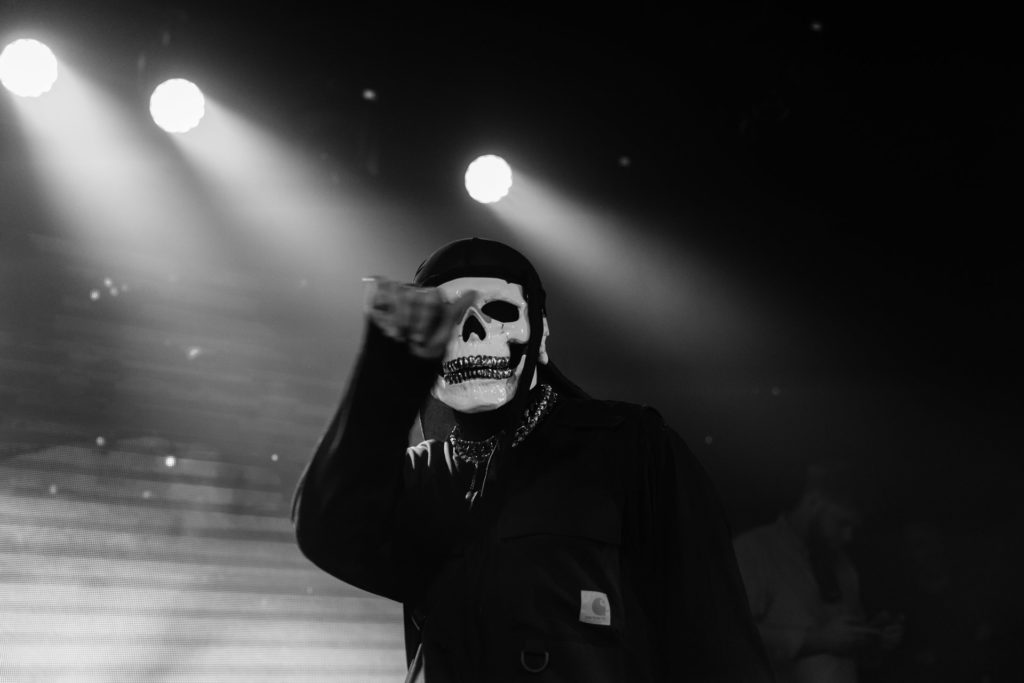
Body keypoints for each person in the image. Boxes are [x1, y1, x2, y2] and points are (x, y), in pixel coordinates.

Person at [292, 237, 774, 682]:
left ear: (539, 336)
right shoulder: (422, 476)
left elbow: (717, 636)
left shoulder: (629, 448)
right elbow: (328, 530)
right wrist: (386, 376)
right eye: (448, 321)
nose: (472, 333)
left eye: (499, 312)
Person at [732, 461, 904, 683]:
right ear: (813, 501)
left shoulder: (841, 564)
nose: (848, 537)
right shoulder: (753, 551)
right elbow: (728, 636)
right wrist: (817, 640)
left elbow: (851, 657)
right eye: (842, 523)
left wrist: (873, 639)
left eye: (853, 527)